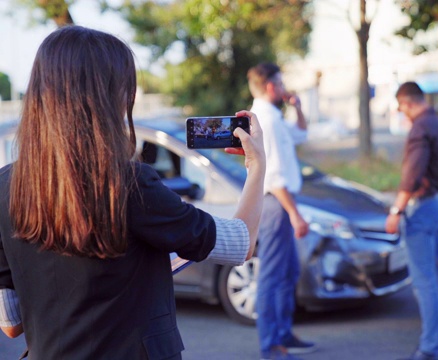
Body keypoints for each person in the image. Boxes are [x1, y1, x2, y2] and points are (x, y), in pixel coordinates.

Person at [0, 26, 266, 360]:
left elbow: (11, 323)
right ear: (109, 96)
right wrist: (257, 165)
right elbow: (241, 243)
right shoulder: (127, 184)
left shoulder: (5, 188)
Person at [247, 63, 315, 360]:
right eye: (281, 82)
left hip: (281, 203)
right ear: (271, 87)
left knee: (288, 271)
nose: (285, 87)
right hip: (277, 204)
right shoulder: (267, 121)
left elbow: (301, 134)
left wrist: (297, 107)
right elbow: (273, 177)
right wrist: (295, 214)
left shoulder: (273, 116)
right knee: (273, 274)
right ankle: (271, 345)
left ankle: (283, 334)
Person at [386, 82, 438, 360]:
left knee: (424, 281)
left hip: (421, 208)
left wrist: (395, 212)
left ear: (407, 102)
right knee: (437, 277)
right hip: (437, 204)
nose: (402, 113)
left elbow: (412, 176)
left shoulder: (420, 129)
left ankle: (429, 348)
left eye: (401, 107)